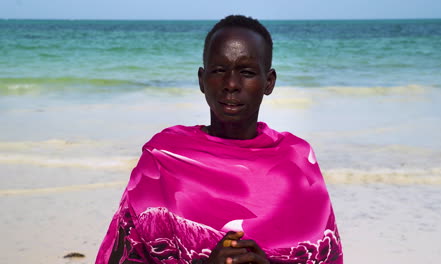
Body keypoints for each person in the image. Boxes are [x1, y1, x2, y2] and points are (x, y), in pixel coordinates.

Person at [96, 15, 343, 264]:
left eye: (246, 72)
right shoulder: (164, 157)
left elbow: (327, 257)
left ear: (269, 82)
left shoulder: (296, 160)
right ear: (202, 80)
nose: (231, 84)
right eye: (219, 71)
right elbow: (124, 257)